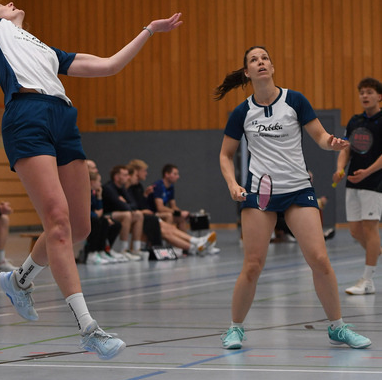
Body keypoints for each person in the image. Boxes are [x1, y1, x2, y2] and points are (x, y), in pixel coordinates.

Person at [0, 0, 183, 360]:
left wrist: (148, 30)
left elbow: (108, 65)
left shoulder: (47, 50)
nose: (7, 3)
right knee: (57, 223)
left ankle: (19, 281)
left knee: (80, 227)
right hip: (27, 116)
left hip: (63, 118)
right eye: (1, 3)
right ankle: (88, 328)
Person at [216, 46, 371, 350]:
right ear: (247, 72)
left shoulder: (295, 101)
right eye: (254, 60)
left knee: (319, 259)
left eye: (265, 58)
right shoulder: (242, 112)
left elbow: (321, 137)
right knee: (253, 265)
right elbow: (225, 154)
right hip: (260, 194)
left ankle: (338, 327)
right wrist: (233, 183)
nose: (261, 63)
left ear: (271, 67)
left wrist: (333, 143)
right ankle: (235, 328)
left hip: (298, 189)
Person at [334, 77, 382, 295]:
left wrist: (368, 172)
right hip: (353, 180)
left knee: (370, 227)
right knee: (355, 231)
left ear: (379, 96)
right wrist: (341, 167)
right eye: (362, 92)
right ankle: (376, 251)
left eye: (369, 92)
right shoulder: (354, 121)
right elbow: (346, 148)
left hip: (374, 182)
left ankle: (368, 280)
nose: (365, 96)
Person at [101, 165, 146, 260]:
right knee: (127, 215)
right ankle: (123, 250)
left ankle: (136, 248)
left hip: (121, 213)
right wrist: (124, 203)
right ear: (116, 177)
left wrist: (124, 202)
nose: (128, 177)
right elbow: (121, 206)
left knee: (138, 214)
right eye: (125, 175)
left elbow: (134, 205)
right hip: (107, 214)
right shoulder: (108, 188)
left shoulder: (122, 189)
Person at [149, 163, 190, 230]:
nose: (178, 176)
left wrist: (182, 213)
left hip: (160, 213)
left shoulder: (171, 187)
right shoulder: (158, 186)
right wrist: (179, 213)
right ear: (167, 174)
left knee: (181, 218)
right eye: (175, 174)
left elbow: (173, 206)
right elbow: (160, 208)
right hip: (152, 213)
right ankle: (167, 237)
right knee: (169, 215)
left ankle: (186, 239)